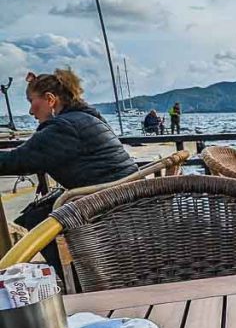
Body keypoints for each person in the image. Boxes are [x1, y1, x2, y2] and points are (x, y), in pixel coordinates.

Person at [0, 68, 138, 268]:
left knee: (38, 219)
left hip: (106, 204)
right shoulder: (85, 117)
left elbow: (16, 160)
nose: (30, 111)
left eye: (32, 102)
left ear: (50, 99)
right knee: (36, 213)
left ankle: (76, 277)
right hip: (124, 197)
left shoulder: (64, 127)